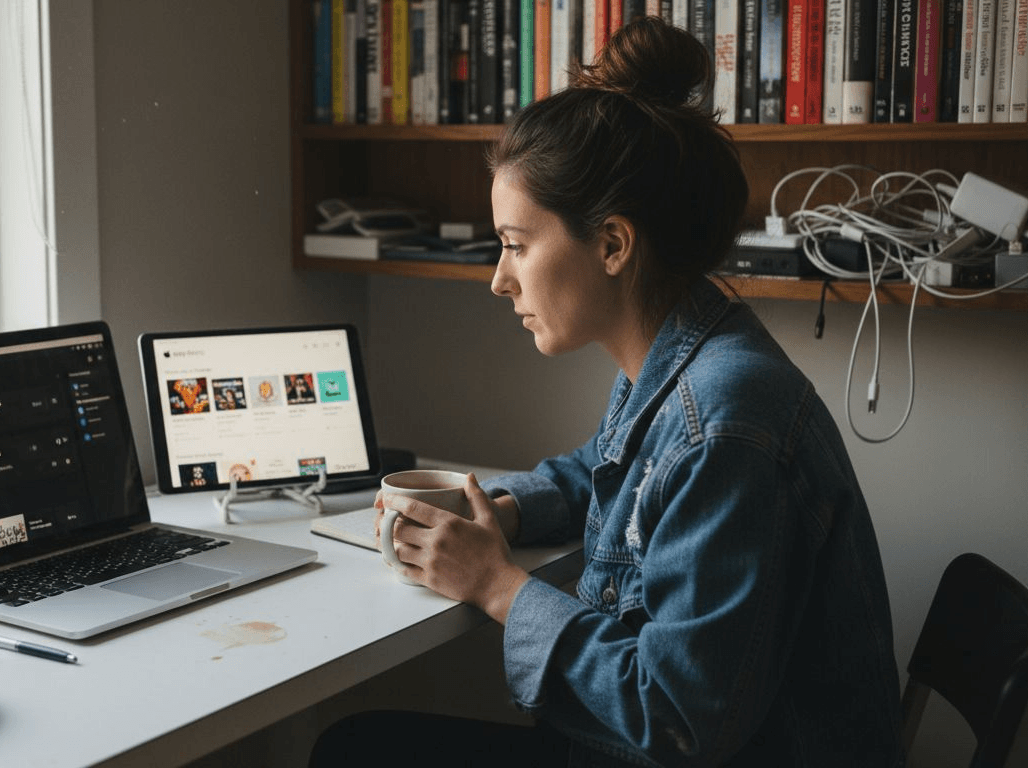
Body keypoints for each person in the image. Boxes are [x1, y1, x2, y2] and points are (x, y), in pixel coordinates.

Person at [309, 16, 901, 768]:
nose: (499, 278)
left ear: (614, 244)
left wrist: (496, 585)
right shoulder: (686, 354)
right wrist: (506, 510)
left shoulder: (722, 425)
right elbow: (609, 472)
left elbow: (678, 719)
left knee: (354, 752)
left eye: (517, 245)